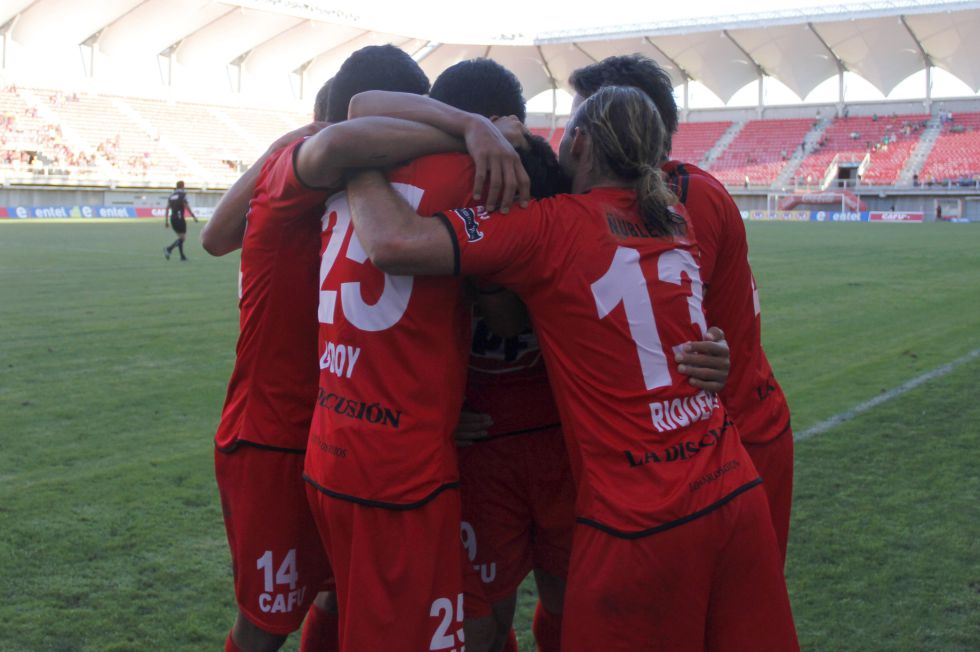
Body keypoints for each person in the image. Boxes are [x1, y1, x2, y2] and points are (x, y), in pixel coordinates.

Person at [345, 85, 798, 652]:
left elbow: (391, 241)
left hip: (641, 516)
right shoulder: (673, 217)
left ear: (578, 141)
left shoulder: (549, 226)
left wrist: (355, 166)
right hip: (732, 490)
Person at [202, 44, 526, 652]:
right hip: (275, 435)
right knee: (266, 624)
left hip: (331, 427)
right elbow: (223, 231)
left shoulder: (323, 180)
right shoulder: (308, 164)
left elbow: (215, 237)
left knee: (340, 595)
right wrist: (470, 128)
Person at [568, 53, 796, 560]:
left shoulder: (673, 201)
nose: (569, 141)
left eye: (579, 122)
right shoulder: (673, 190)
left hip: (727, 443)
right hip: (721, 434)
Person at [163, 180, 196, 261]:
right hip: (179, 218)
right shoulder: (183, 195)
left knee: (180, 238)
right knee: (182, 238)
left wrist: (166, 221)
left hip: (172, 218)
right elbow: (186, 206)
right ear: (183, 186)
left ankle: (182, 257)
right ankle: (169, 249)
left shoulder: (171, 195)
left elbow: (167, 208)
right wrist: (193, 216)